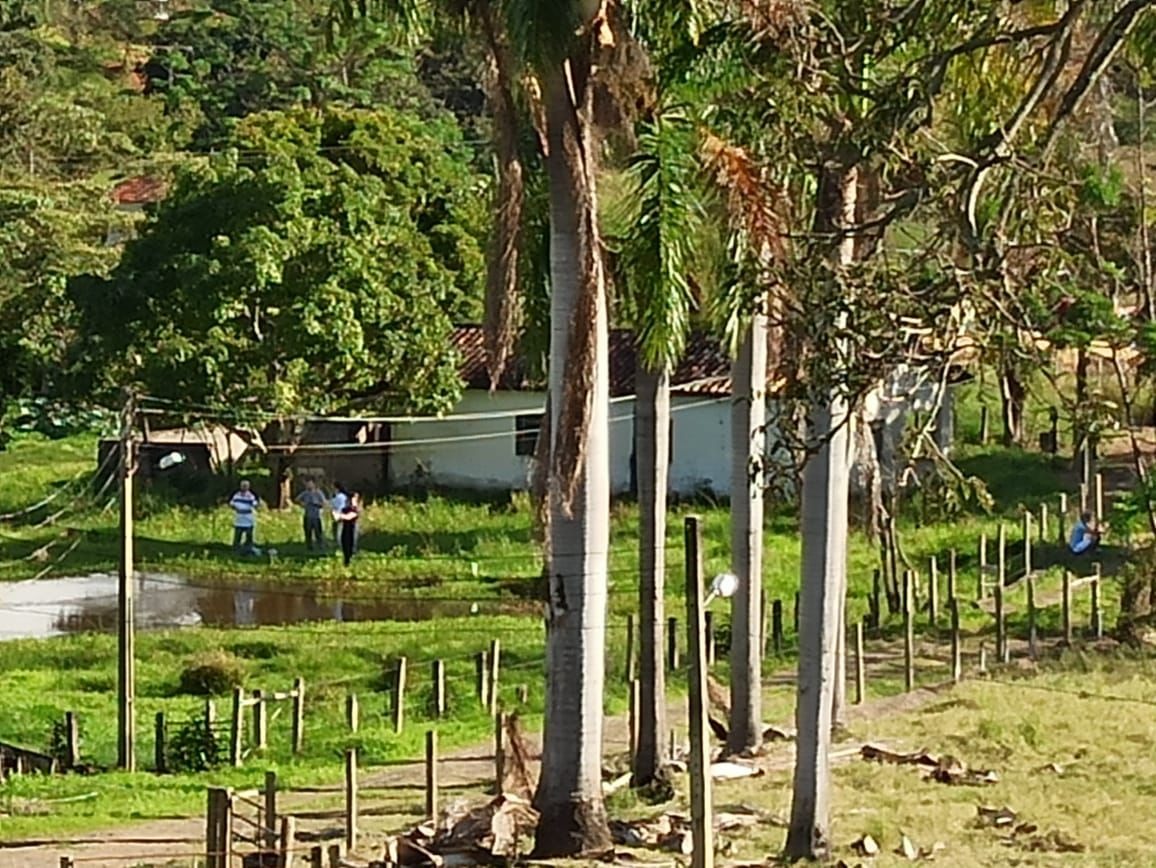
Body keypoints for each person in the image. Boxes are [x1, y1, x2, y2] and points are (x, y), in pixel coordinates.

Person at [296, 479, 328, 552]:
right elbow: (297, 499)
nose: (309, 485)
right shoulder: (305, 493)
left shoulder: (319, 493)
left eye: (310, 484)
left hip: (316, 516)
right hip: (307, 516)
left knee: (318, 533)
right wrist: (302, 503)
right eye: (307, 484)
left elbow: (324, 503)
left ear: (314, 484)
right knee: (308, 533)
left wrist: (317, 504)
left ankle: (320, 547)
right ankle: (309, 548)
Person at [229, 479, 259, 555]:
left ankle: (248, 550)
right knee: (237, 537)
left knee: (249, 537)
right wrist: (236, 508)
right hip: (239, 519)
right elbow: (232, 504)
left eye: (246, 486)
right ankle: (236, 550)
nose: (244, 487)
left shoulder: (251, 496)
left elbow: (255, 505)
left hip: (248, 520)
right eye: (243, 486)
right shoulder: (236, 495)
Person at [337, 492, 362, 567]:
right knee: (344, 545)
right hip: (345, 529)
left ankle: (351, 561)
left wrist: (340, 515)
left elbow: (350, 516)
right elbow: (338, 518)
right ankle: (346, 561)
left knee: (351, 545)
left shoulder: (357, 509)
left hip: (353, 529)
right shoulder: (345, 509)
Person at [330, 484, 349, 549]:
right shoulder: (337, 497)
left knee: (339, 534)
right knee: (336, 533)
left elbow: (340, 507)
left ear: (337, 489)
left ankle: (342, 547)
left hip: (339, 517)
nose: (332, 490)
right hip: (336, 517)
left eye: (333, 488)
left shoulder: (340, 497)